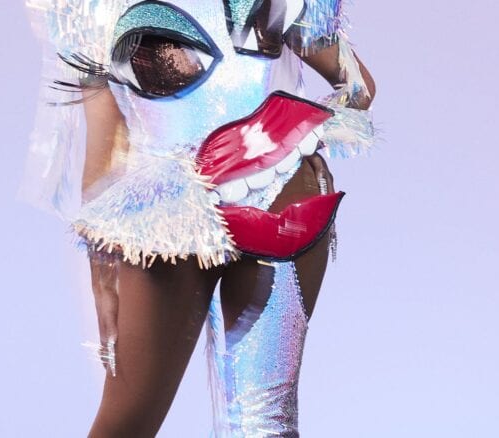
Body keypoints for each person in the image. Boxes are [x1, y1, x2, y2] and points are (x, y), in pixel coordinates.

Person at [22, 0, 376, 436]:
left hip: (281, 195)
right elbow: (107, 139)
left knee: (264, 424)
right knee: (127, 420)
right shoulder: (90, 8)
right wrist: (102, 261)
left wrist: (303, 133)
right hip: (168, 216)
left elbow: (357, 87)